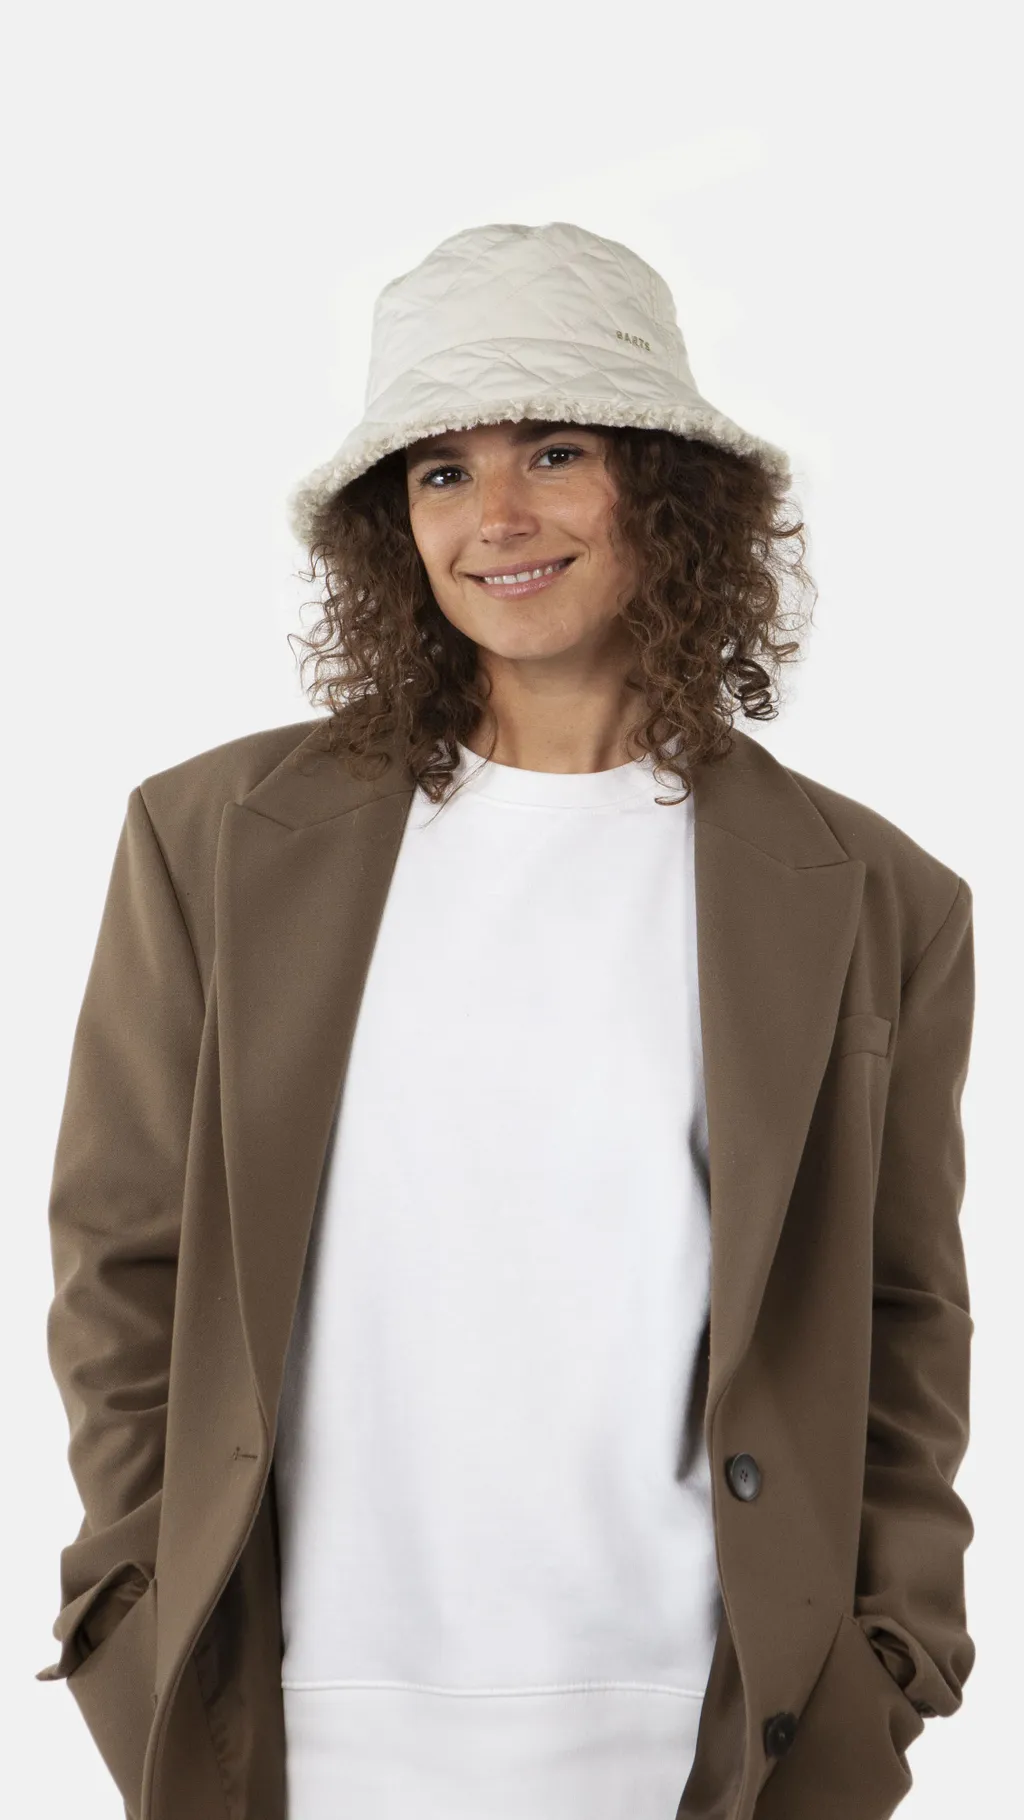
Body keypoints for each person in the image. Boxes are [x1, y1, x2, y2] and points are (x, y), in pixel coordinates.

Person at [35, 221, 976, 1820]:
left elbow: (902, 1320)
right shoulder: (213, 841)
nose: (500, 518)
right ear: (390, 525)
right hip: (292, 1729)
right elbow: (123, 1260)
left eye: (555, 451)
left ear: (669, 489)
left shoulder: (876, 895)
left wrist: (891, 1657)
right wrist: (136, 1601)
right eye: (441, 471)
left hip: (706, 1735)